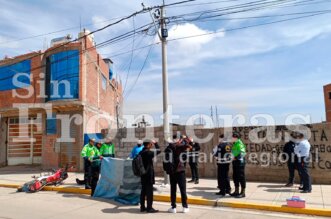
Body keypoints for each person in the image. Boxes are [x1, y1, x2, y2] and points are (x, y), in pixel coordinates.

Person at [168, 135, 192, 214]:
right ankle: (185, 207)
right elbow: (189, 145)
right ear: (179, 140)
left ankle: (173, 207)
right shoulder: (179, 147)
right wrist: (186, 139)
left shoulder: (169, 147)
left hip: (172, 172)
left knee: (173, 190)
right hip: (180, 171)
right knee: (182, 189)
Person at [140, 139, 161, 213]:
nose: (152, 145)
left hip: (142, 174)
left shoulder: (141, 152)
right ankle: (149, 208)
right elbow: (159, 151)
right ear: (148, 145)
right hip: (148, 175)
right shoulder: (148, 153)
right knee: (149, 192)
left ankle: (142, 207)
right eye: (151, 144)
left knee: (143, 191)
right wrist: (156, 143)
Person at [230, 132, 247, 198]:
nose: (231, 138)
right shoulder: (235, 143)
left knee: (241, 177)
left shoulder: (240, 144)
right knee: (235, 176)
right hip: (235, 162)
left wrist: (235, 158)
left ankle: (243, 193)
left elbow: (243, 153)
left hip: (240, 163)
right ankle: (236, 191)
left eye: (232, 137)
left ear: (235, 137)